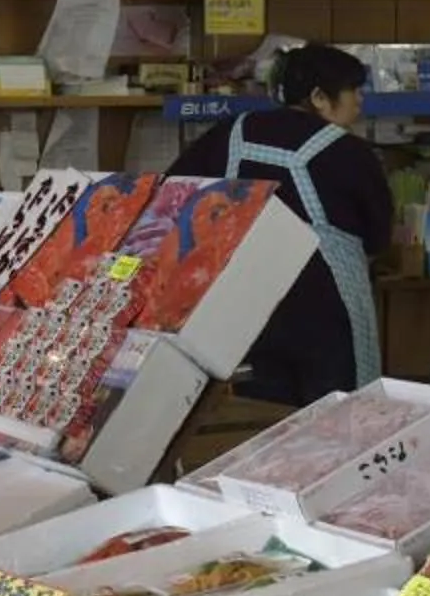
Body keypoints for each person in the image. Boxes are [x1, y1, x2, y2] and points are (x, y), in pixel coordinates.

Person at [165, 42, 393, 403]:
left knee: (256, 418)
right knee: (337, 418)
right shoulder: (350, 151)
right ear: (319, 96)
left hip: (243, 303)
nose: (360, 101)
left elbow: (175, 198)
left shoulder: (230, 133)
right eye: (354, 90)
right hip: (325, 306)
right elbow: (379, 234)